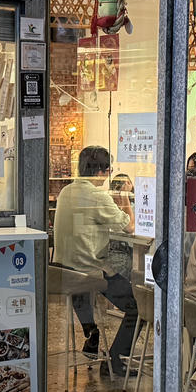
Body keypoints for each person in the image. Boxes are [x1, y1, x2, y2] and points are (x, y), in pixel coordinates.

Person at [52, 146, 140, 377]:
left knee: (86, 274)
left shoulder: (66, 192)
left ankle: (91, 330)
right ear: (102, 172)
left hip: (62, 271)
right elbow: (130, 227)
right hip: (88, 273)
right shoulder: (98, 196)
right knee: (138, 308)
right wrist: (123, 199)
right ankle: (116, 360)